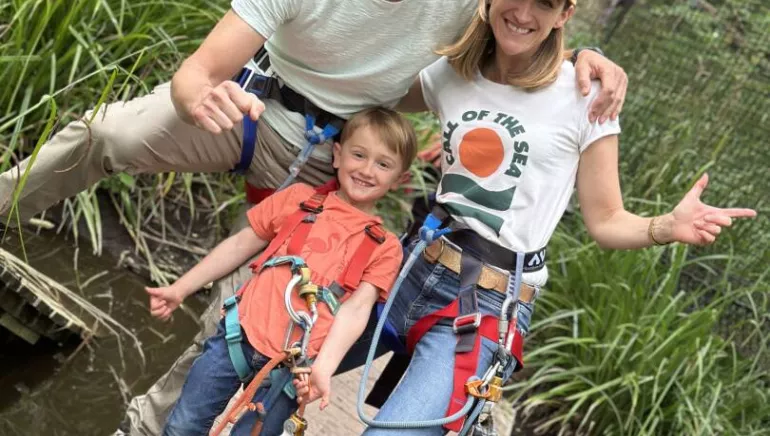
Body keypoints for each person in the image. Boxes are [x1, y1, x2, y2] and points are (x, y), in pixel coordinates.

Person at [0, 1, 629, 434]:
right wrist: (197, 97)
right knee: (103, 135)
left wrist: (583, 56)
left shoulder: (464, 7)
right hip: (246, 107)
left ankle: (147, 426)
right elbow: (198, 72)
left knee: (246, 315)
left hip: (333, 159)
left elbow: (520, 34)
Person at [293, 0, 757, 434]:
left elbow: (607, 220)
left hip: (485, 305)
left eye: (545, 3)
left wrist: (667, 226)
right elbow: (369, 83)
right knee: (281, 365)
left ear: (564, 13)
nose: (524, 12)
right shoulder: (452, 72)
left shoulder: (585, 96)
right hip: (409, 266)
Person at [146, 107, 417, 435]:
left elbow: (357, 309)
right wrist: (181, 288)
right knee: (183, 425)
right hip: (238, 336)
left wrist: (323, 368)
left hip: (293, 369)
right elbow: (239, 245)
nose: (367, 170)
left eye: (383, 164)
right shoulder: (297, 200)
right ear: (337, 154)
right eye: (358, 155)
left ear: (399, 179)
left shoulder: (385, 247)